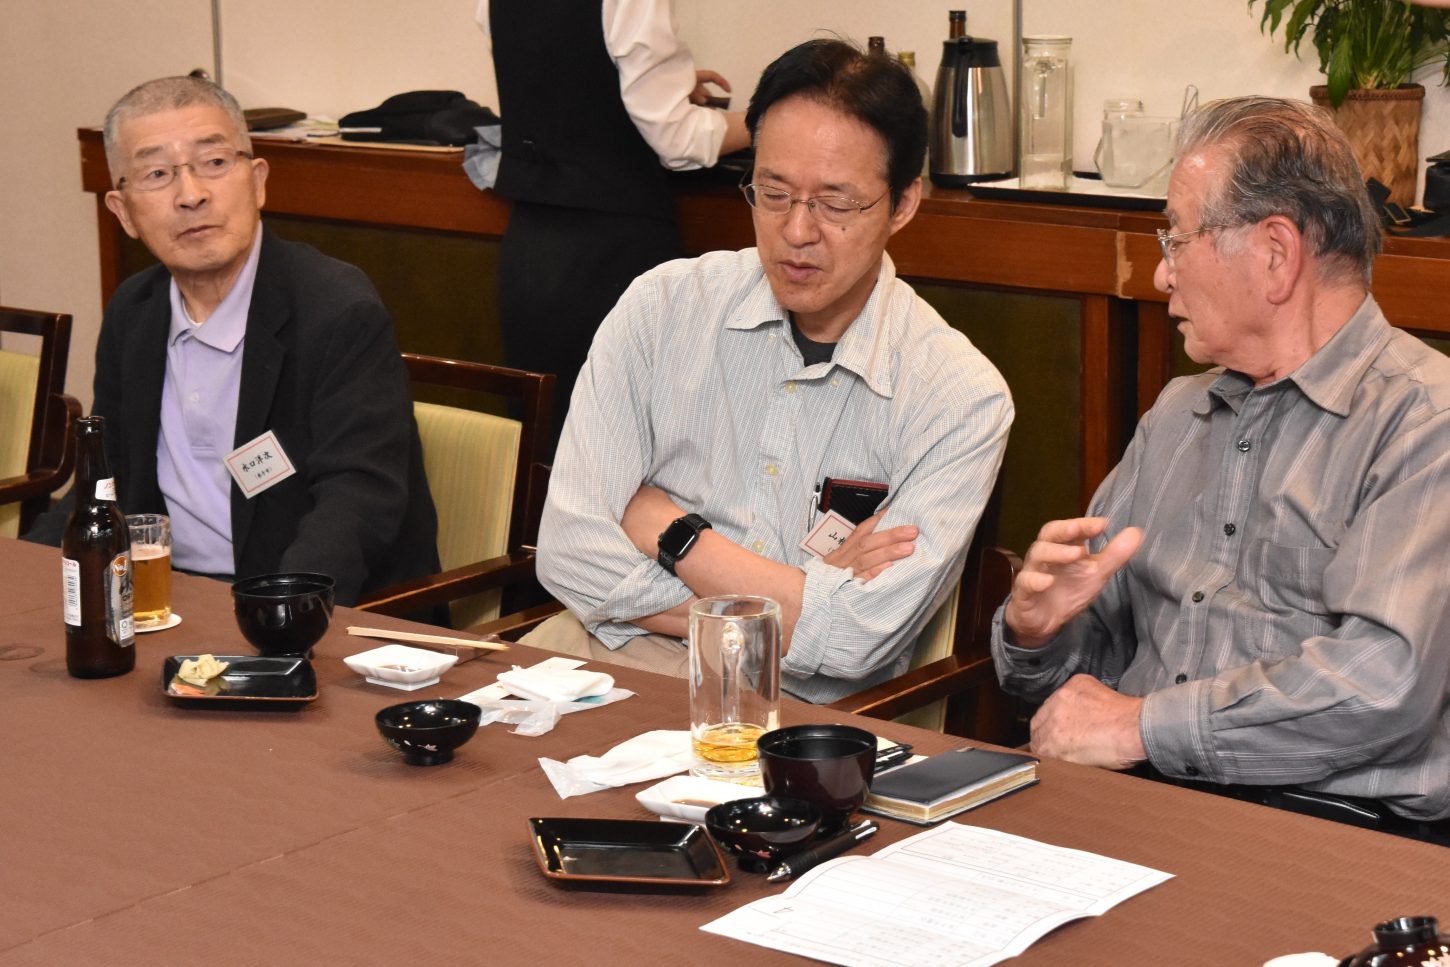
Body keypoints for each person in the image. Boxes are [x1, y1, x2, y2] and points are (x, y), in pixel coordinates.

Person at [992, 95, 1450, 834]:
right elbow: (1078, 687)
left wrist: (1142, 727)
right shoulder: (1178, 414)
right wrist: (1038, 631)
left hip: (1333, 828)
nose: (1160, 275)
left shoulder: (1426, 422)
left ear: (1275, 253)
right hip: (1140, 800)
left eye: (1175, 239)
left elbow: (1381, 688)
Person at [533, 39, 1013, 704]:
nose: (796, 231)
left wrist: (670, 532)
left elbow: (853, 639)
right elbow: (567, 551)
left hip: (789, 712)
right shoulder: (662, 308)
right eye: (773, 193)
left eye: (835, 204)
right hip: (596, 663)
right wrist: (795, 596)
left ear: (903, 204)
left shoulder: (958, 396)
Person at [28, 76, 440, 608]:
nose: (191, 195)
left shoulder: (337, 310)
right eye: (157, 174)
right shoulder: (135, 311)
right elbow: (106, 478)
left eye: (215, 162)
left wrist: (278, 613)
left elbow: (358, 499)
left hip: (311, 604)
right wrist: (22, 570)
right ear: (123, 211)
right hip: (166, 599)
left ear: (258, 181)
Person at [479, 0, 750, 449]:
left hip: (528, 248)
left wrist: (658, 84)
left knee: (546, 443)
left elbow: (553, 71)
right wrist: (769, 116)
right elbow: (678, 140)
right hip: (614, 246)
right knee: (621, 447)